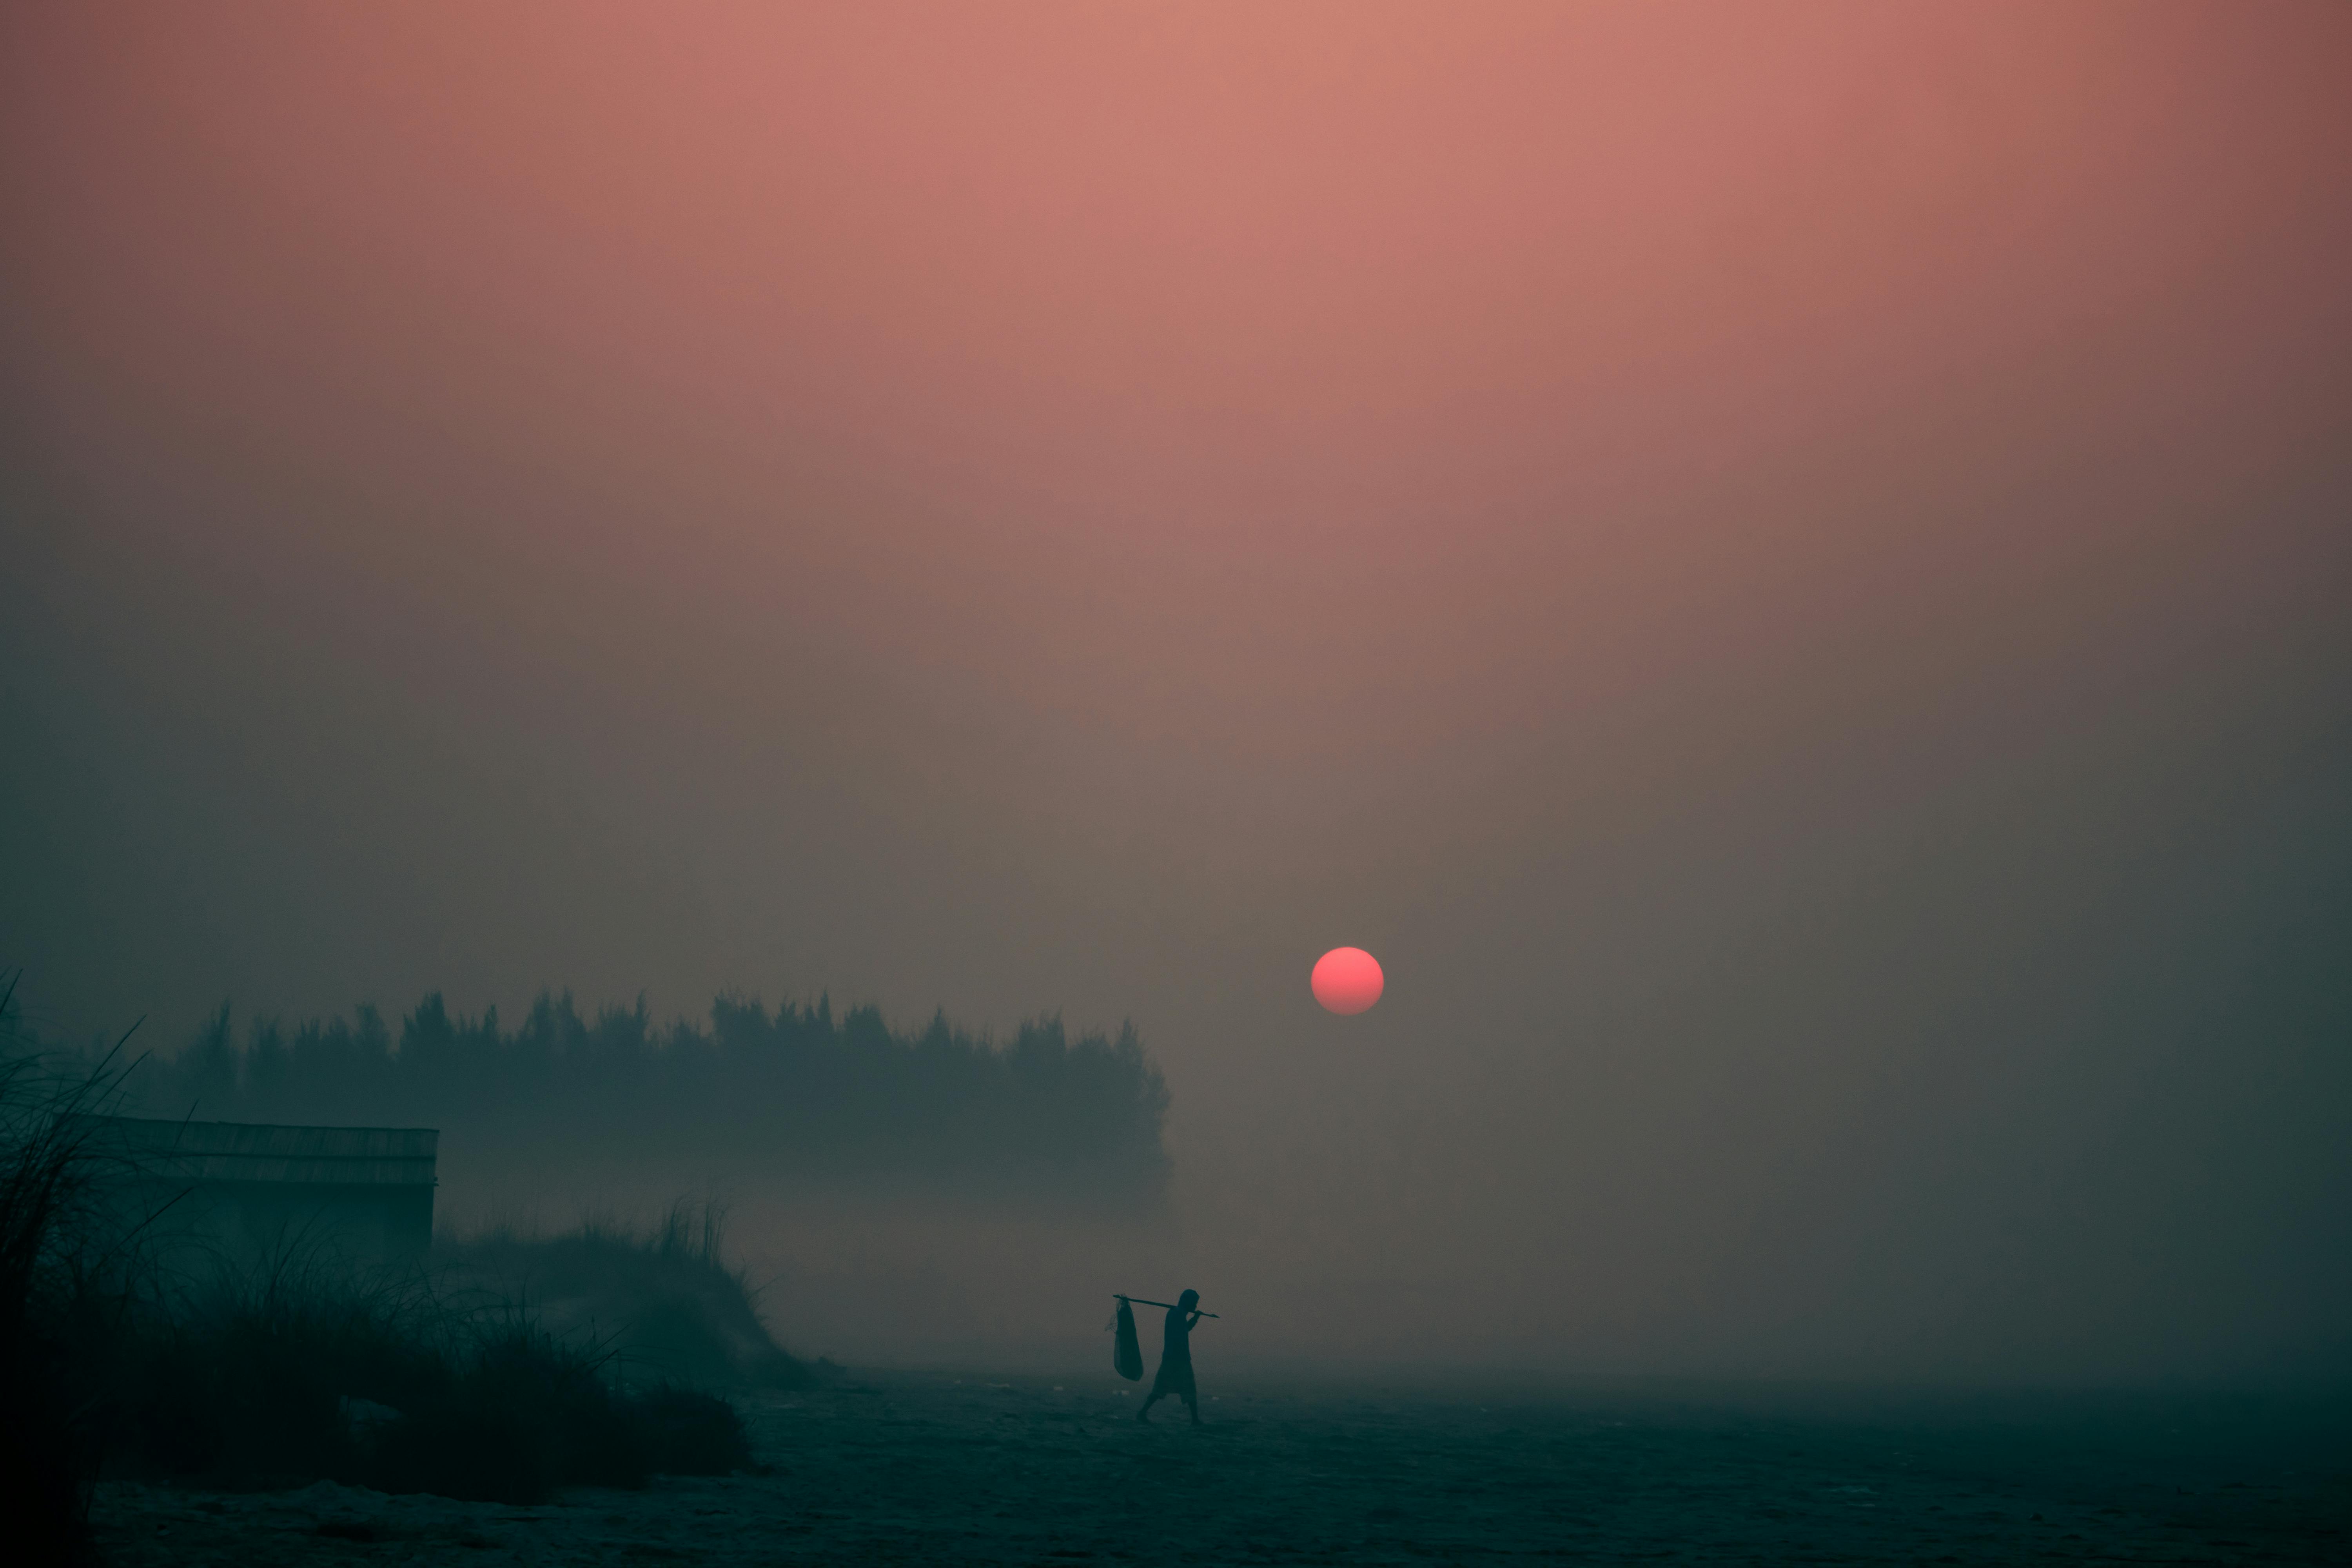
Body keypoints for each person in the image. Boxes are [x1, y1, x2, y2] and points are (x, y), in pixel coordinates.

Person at [1136, 1289, 1203, 1425]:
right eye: (1194, 1303)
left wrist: (1195, 1318)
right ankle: (1142, 1413)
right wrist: (1195, 1319)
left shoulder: (1177, 1314)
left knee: (1182, 1388)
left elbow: (1185, 1329)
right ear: (1187, 1302)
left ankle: (1195, 1419)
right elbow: (1183, 1331)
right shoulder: (1177, 1314)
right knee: (1165, 1388)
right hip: (1176, 1358)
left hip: (1176, 1357)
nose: (1195, 1307)